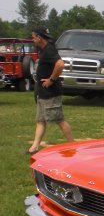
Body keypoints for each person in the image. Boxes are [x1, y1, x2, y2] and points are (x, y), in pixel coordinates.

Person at [26, 26, 74, 155]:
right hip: (43, 93)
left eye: (33, 37)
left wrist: (51, 80)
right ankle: (34, 147)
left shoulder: (49, 50)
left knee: (59, 119)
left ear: (39, 37)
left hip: (51, 93)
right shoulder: (44, 50)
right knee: (40, 120)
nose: (32, 39)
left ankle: (73, 145)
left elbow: (60, 64)